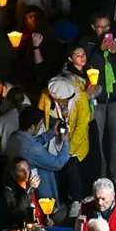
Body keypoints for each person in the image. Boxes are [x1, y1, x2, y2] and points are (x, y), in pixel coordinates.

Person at [80, 13, 116, 180]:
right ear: (94, 27)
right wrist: (99, 52)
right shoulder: (87, 44)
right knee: (97, 140)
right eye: (100, 27)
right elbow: (87, 68)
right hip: (97, 100)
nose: (103, 31)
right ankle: (100, 177)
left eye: (106, 27)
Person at [37, 75, 91, 214]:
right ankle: (57, 201)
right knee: (54, 170)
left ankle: (76, 201)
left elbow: (82, 125)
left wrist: (70, 147)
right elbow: (41, 118)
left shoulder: (81, 98)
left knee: (72, 170)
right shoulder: (45, 96)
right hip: (53, 139)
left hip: (73, 139)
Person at [5, 107, 70, 209]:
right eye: (40, 125)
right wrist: (66, 143)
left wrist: (51, 133)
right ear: (31, 127)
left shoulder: (14, 136)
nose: (40, 128)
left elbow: (32, 142)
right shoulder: (33, 149)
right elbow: (57, 163)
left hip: (16, 184)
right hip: (37, 191)